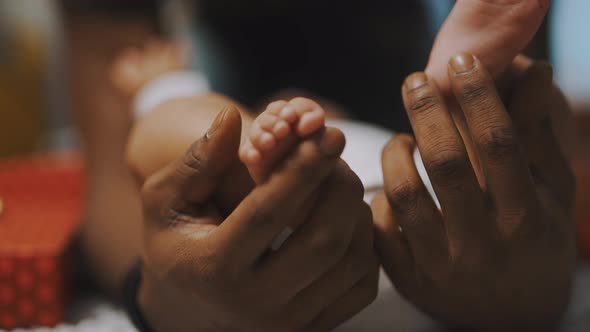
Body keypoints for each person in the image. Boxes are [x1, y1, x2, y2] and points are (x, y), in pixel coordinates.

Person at [79, 0, 576, 331]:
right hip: (425, 245)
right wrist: (163, 301)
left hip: (406, 231)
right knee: (484, 142)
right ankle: (467, 71)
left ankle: (184, 100)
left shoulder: (338, 145)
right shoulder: (369, 144)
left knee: (180, 128)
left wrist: (160, 90)